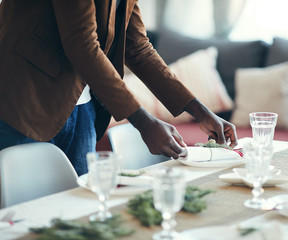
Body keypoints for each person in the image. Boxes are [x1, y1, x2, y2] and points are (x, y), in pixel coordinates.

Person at [0, 0, 238, 176]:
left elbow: (138, 48)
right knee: (27, 215)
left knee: (82, 209)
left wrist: (200, 112)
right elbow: (82, 45)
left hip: (82, 107)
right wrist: (143, 122)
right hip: (26, 100)